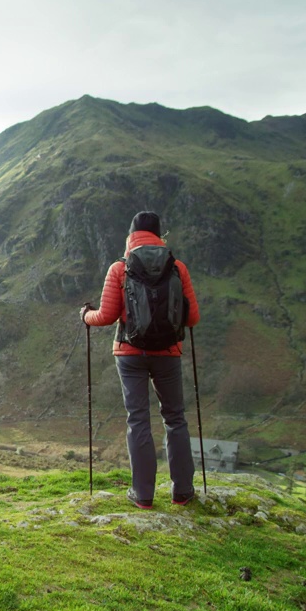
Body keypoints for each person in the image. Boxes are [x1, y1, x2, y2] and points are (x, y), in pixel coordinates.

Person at [81, 211, 201, 509]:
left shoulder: (119, 269)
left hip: (130, 354)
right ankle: (183, 491)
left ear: (131, 236)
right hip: (169, 354)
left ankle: (143, 494)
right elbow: (193, 318)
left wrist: (85, 315)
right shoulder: (178, 267)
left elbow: (107, 317)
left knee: (138, 419)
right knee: (175, 419)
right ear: (160, 236)